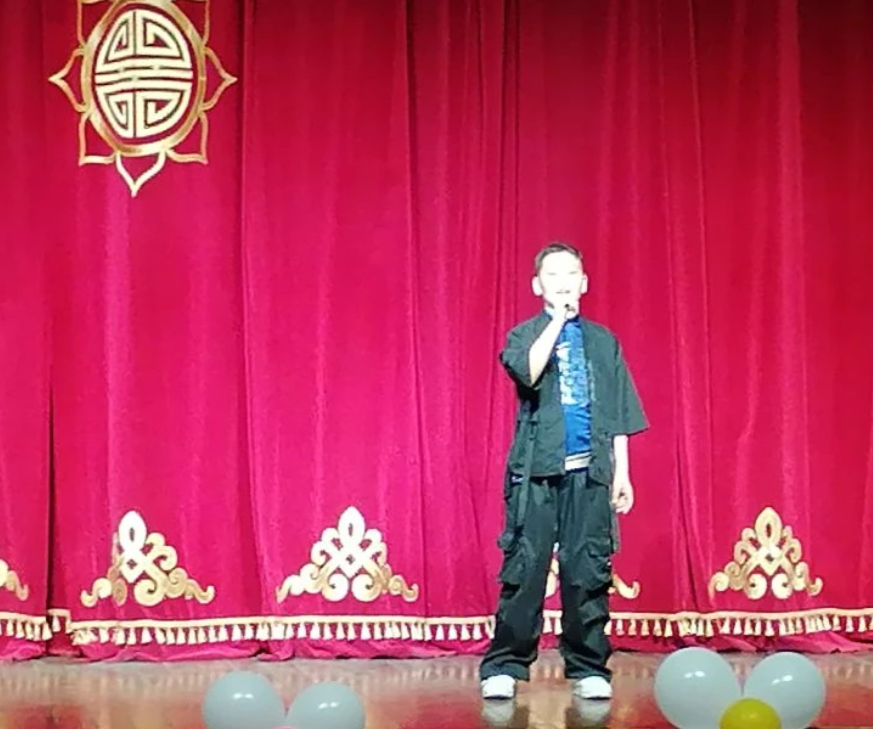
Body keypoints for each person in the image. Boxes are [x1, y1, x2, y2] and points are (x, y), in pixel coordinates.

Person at [479, 242, 648, 702]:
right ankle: (505, 666)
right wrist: (556, 321)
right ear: (537, 286)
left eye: (571, 274)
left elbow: (618, 410)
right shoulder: (524, 335)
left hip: (590, 474)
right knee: (526, 569)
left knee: (587, 571)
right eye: (553, 276)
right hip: (536, 474)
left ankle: (589, 666)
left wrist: (622, 472)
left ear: (584, 283)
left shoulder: (603, 342)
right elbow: (528, 373)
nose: (563, 282)